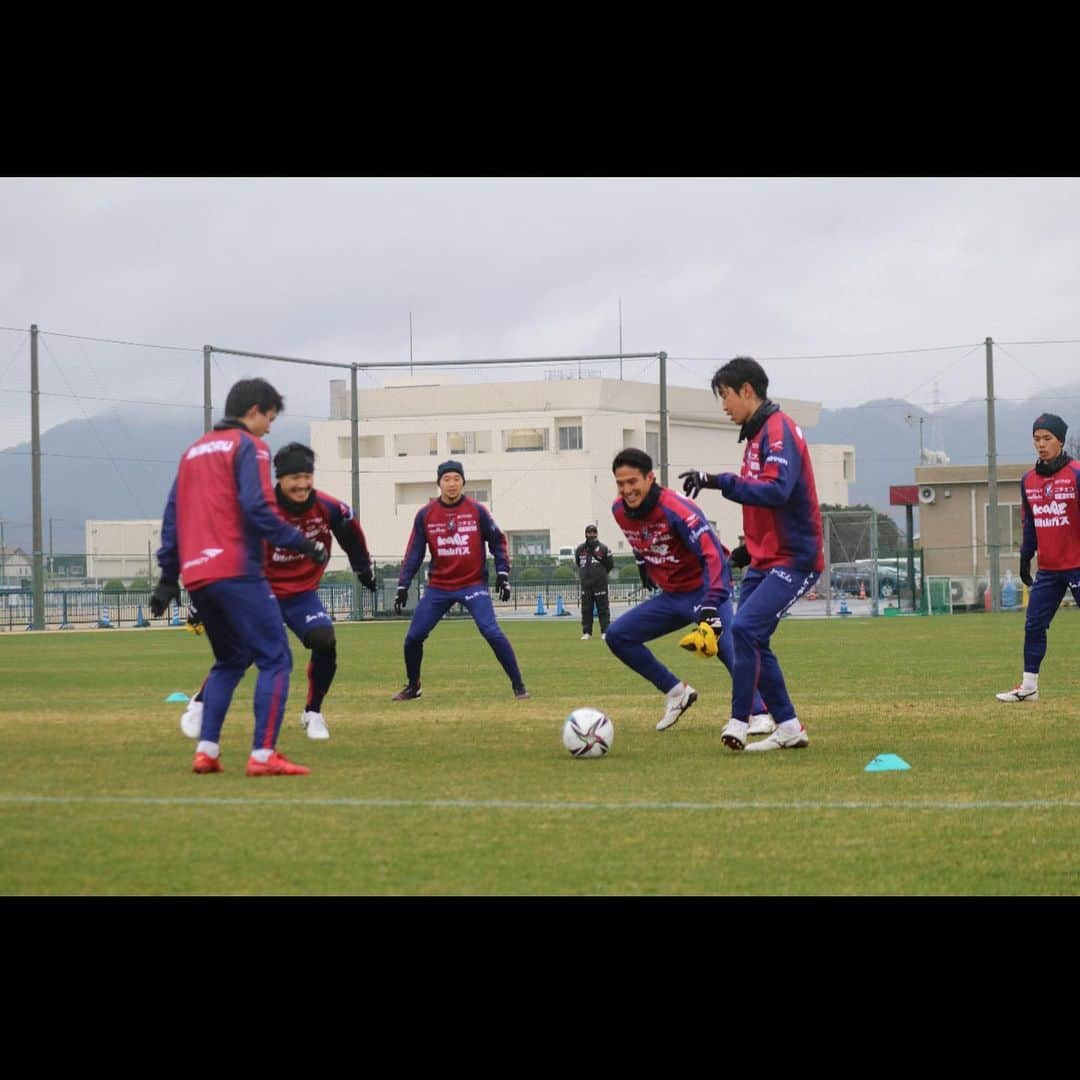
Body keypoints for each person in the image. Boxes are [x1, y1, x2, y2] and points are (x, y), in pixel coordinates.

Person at [151, 377, 328, 777]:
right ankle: (263, 755)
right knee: (276, 657)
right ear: (253, 412)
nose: (269, 428)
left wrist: (168, 576)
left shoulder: (192, 452)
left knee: (230, 659)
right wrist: (302, 543)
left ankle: (207, 750)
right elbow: (258, 508)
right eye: (269, 418)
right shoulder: (250, 446)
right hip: (236, 569)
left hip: (197, 575)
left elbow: (171, 514)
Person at [179, 441, 376, 742]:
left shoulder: (329, 507)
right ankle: (201, 702)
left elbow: (351, 535)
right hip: (259, 591)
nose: (301, 484)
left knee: (324, 640)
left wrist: (363, 569)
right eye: (293, 478)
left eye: (306, 476)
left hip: (301, 593)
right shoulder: (257, 508)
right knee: (242, 653)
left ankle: (313, 712)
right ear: (279, 479)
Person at [680, 355, 823, 752]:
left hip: (795, 559)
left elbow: (777, 490)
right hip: (766, 558)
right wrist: (747, 550)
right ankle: (790, 727)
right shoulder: (757, 434)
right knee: (752, 638)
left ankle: (740, 722)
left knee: (743, 630)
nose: (724, 406)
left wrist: (717, 481)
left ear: (747, 390)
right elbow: (768, 502)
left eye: (725, 396)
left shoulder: (779, 430)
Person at [605, 447, 772, 732]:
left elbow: (713, 555)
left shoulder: (678, 510)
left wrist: (713, 600)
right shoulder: (619, 510)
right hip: (672, 596)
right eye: (621, 484)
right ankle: (676, 693)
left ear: (650, 478)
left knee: (729, 648)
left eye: (633, 482)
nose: (627, 490)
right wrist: (644, 564)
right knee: (617, 636)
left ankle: (760, 714)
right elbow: (640, 539)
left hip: (705, 590)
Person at [391, 459, 529, 701]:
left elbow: (498, 541)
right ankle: (414, 686)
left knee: (491, 631)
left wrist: (503, 573)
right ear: (439, 484)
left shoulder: (477, 511)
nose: (452, 484)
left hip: (473, 584)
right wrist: (403, 584)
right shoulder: (425, 514)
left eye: (456, 479)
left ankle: (519, 686)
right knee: (413, 637)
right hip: (438, 587)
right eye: (447, 479)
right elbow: (414, 552)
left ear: (463, 482)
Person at [996, 413, 1080, 703]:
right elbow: (1030, 522)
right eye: (1036, 439)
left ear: (1060, 441)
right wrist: (1025, 556)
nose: (1041, 445)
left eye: (1047, 439)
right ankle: (1029, 687)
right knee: (1033, 624)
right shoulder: (1028, 481)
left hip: (1078, 566)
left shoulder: (1076, 474)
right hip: (1049, 569)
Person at [575, 524, 614, 640]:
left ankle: (605, 631)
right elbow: (578, 563)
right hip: (586, 584)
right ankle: (587, 632)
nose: (591, 534)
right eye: (589, 532)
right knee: (586, 609)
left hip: (600, 584)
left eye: (594, 532)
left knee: (603, 608)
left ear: (597, 533)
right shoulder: (580, 549)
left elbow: (610, 565)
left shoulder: (603, 548)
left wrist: (600, 575)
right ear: (586, 534)